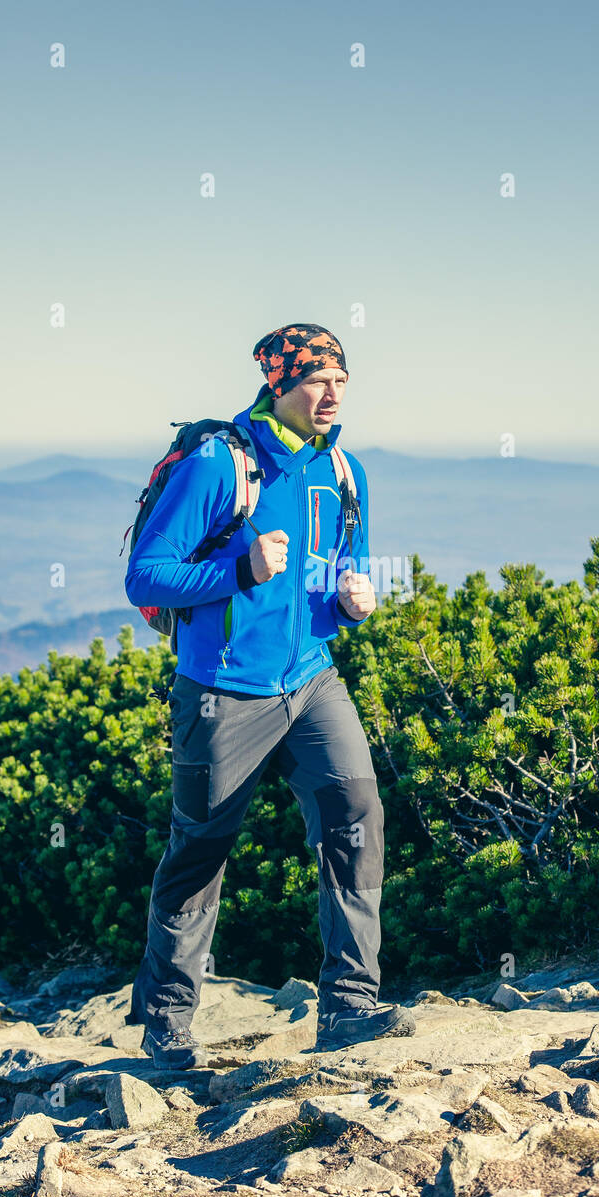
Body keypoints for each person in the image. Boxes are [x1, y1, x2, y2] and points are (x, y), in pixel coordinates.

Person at [124, 323, 416, 1066]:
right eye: (317, 381)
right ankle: (166, 1022)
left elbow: (332, 570)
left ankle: (350, 1005)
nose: (331, 395)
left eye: (340, 383)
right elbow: (146, 576)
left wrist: (350, 600)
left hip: (312, 679)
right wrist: (238, 570)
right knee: (201, 849)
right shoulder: (218, 465)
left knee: (355, 815)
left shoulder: (342, 472)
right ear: (279, 384)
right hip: (222, 692)